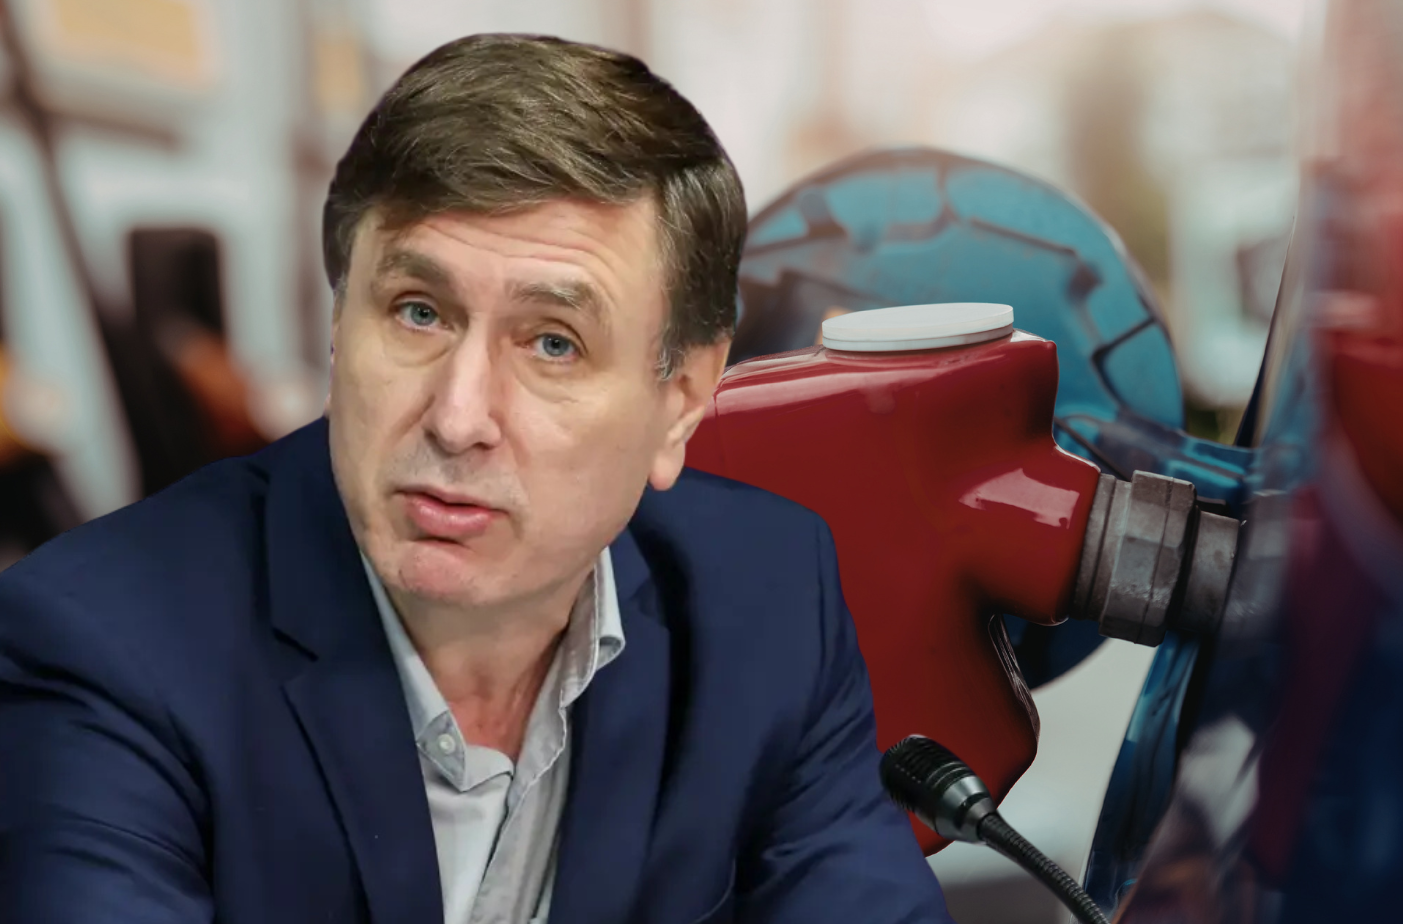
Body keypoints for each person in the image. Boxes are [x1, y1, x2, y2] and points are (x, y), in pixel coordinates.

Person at [0, 34, 953, 924]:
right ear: (337, 326)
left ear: (683, 398)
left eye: (553, 343)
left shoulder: (770, 598)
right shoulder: (105, 643)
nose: (458, 419)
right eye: (417, 312)